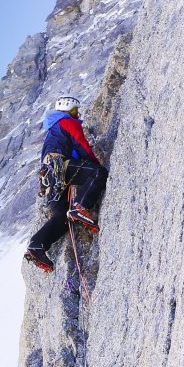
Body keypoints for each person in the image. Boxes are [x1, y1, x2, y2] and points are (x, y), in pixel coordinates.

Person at [24, 96, 108, 274]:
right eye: (75, 111)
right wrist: (95, 165)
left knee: (61, 216)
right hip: (60, 167)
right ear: (69, 110)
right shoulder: (67, 122)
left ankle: (37, 245)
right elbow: (81, 146)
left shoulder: (52, 131)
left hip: (49, 178)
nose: (77, 115)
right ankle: (80, 207)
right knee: (98, 173)